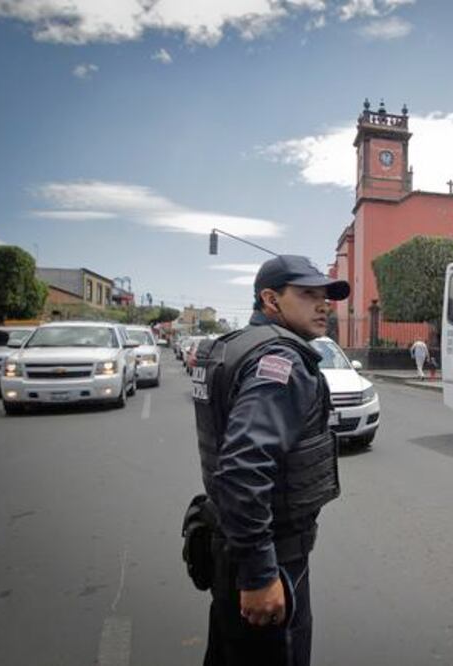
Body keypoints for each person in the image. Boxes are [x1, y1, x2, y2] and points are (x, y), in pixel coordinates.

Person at [192, 255, 350, 666]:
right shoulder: (281, 362)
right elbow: (244, 468)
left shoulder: (233, 346)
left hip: (233, 546)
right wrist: (261, 574)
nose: (323, 305)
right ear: (270, 299)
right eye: (308, 294)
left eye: (326, 296)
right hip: (271, 555)